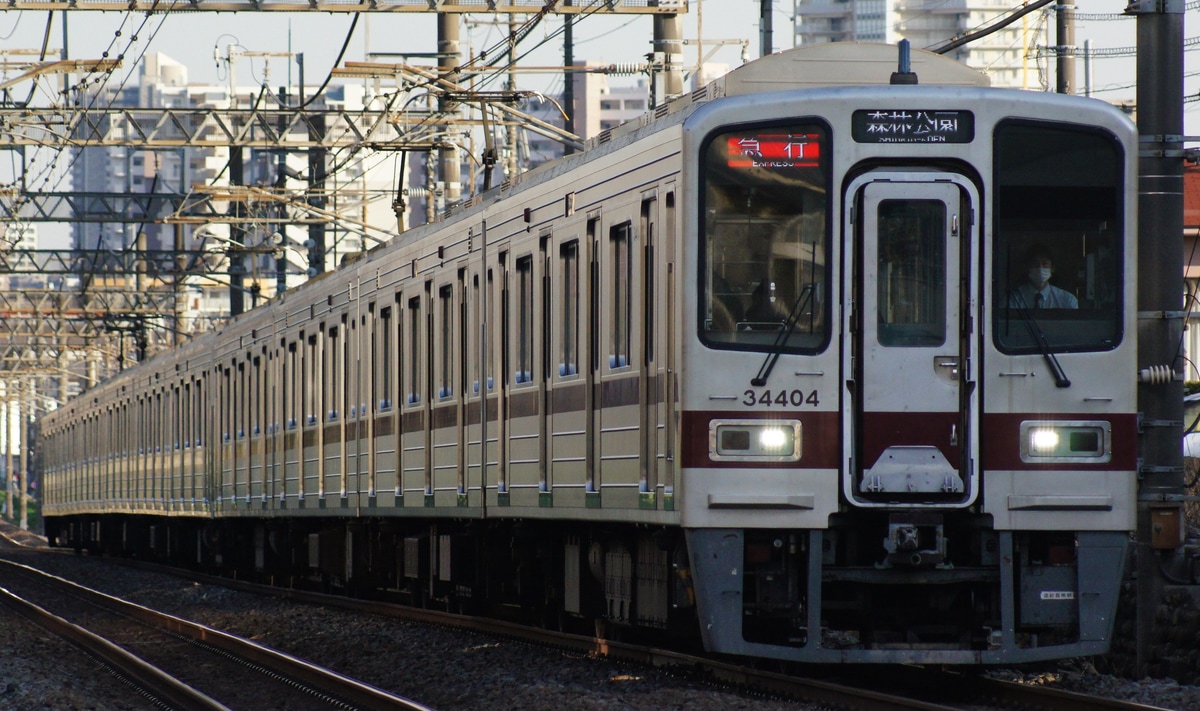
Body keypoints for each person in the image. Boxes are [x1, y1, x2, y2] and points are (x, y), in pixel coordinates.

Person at [1009, 244, 1078, 310]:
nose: (1040, 267)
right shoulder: (1014, 299)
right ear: (1027, 268)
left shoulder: (1067, 300)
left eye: (1044, 263)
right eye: (1035, 263)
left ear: (1052, 268)